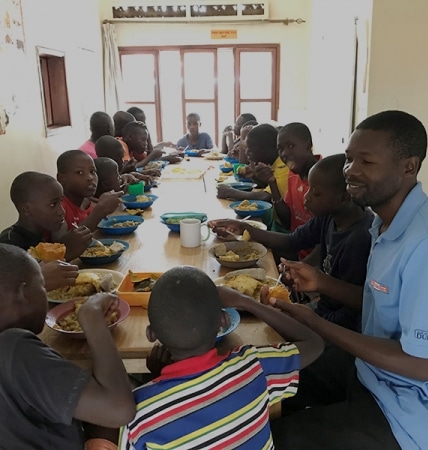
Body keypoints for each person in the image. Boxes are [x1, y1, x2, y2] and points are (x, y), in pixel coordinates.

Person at [267, 110, 428, 449]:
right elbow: (382, 304)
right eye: (349, 159)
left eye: (366, 162)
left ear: (408, 167)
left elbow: (424, 365)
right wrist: (321, 283)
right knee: (264, 376)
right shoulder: (383, 224)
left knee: (273, 440)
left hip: (407, 414)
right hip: (370, 372)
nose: (350, 171)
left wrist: (315, 322)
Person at [118, 266, 323, 449]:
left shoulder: (139, 412)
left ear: (151, 334)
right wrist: (247, 302)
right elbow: (314, 343)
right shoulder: (254, 366)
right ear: (223, 321)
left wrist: (157, 379)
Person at [210, 154, 373, 331]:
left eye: (315, 193)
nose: (307, 198)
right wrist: (243, 228)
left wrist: (305, 320)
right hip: (323, 310)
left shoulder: (359, 239)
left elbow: (352, 312)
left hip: (338, 327)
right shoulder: (329, 218)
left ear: (344, 197)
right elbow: (291, 241)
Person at [0, 243, 135, 449]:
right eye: (43, 287)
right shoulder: (14, 349)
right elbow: (120, 410)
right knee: (137, 390)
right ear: (24, 294)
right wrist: (92, 320)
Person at [0, 172, 92, 290]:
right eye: (53, 204)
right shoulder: (9, 243)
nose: (62, 211)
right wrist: (65, 254)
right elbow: (12, 290)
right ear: (27, 209)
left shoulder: (43, 232)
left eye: (61, 202)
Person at [216, 124, 289, 230]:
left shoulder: (284, 167)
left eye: (250, 149)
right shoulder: (272, 163)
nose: (247, 153)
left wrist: (230, 192)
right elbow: (266, 185)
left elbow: (266, 197)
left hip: (282, 225)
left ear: (269, 148)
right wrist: (255, 175)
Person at [56, 150, 123, 231]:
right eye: (80, 172)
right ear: (61, 179)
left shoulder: (88, 202)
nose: (90, 178)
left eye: (92, 171)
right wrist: (99, 212)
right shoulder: (59, 207)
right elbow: (65, 242)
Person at [272, 122, 320, 233]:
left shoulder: (326, 177)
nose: (284, 153)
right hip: (295, 244)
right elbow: (287, 221)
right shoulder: (293, 174)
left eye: (290, 146)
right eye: (280, 149)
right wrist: (272, 182)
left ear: (308, 146)